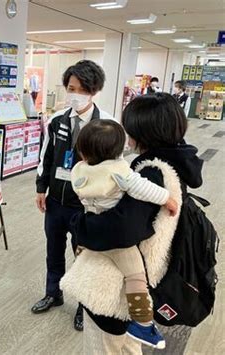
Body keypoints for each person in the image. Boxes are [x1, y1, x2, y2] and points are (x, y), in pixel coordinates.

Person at [62, 93, 203, 353]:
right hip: (132, 282)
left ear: (142, 130)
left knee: (105, 347)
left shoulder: (150, 171)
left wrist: (77, 224)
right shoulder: (177, 162)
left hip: (112, 288)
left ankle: (143, 321)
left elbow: (120, 230)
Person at [72, 119, 180, 349]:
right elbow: (143, 189)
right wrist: (166, 199)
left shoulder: (82, 171)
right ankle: (142, 322)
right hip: (119, 248)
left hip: (92, 236)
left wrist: (79, 227)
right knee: (136, 276)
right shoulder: (120, 171)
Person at [32, 60, 113, 332]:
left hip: (86, 207)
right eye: (70, 88)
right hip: (56, 202)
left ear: (94, 90)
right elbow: (47, 156)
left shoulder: (107, 125)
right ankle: (53, 293)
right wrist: (41, 188)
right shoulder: (56, 121)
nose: (75, 94)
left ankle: (82, 305)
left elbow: (114, 168)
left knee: (84, 257)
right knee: (53, 251)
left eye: (81, 89)